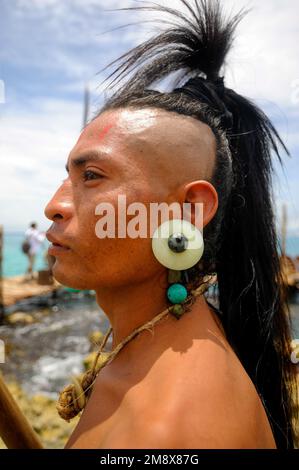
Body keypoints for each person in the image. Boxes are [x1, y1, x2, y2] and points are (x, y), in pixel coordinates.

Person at [45, 1, 298, 449]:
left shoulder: (166, 432)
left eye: (91, 176)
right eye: (67, 175)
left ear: (188, 210)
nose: (55, 205)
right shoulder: (165, 337)